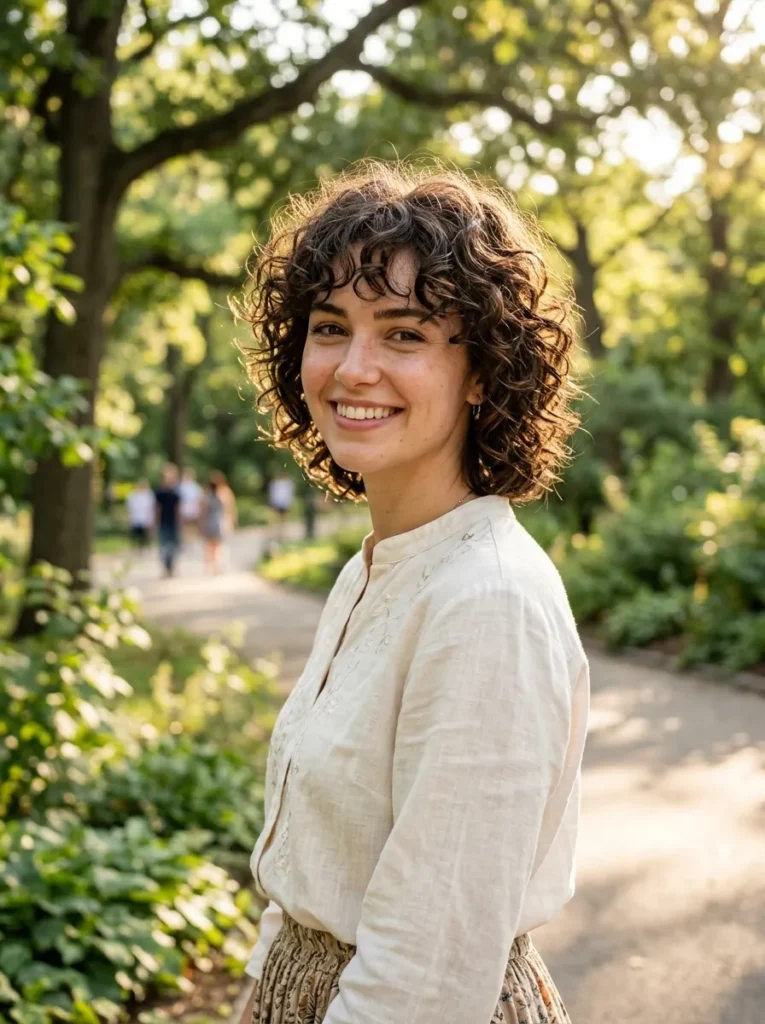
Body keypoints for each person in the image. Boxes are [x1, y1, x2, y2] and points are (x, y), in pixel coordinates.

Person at [237, 163, 590, 1024]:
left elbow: (423, 979)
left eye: (403, 334)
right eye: (330, 327)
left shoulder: (486, 604)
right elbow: (317, 867)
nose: (354, 368)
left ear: (481, 370)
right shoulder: (378, 566)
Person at [199, 470, 237, 574]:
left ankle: (212, 565)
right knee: (217, 545)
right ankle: (216, 565)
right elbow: (229, 509)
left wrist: (201, 524)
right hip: (218, 522)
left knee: (210, 545)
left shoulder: (207, 495)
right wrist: (231, 522)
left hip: (211, 522)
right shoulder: (224, 493)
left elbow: (202, 511)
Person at [154, 463, 182, 577]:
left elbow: (178, 509)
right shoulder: (160, 492)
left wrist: (180, 523)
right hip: (163, 523)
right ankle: (166, 569)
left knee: (174, 547)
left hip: (173, 523)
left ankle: (172, 568)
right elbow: (157, 508)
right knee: (164, 547)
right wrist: (155, 522)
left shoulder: (176, 491)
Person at [125, 478, 154, 548]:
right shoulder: (133, 494)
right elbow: (129, 506)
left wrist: (151, 519)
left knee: (144, 535)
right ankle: (136, 547)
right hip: (135, 518)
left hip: (145, 518)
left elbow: (151, 507)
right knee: (135, 534)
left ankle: (144, 546)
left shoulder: (149, 495)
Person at [179, 467, 204, 531]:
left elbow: (200, 502)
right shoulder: (182, 486)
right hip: (187, 514)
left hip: (190, 514)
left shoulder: (195, 487)